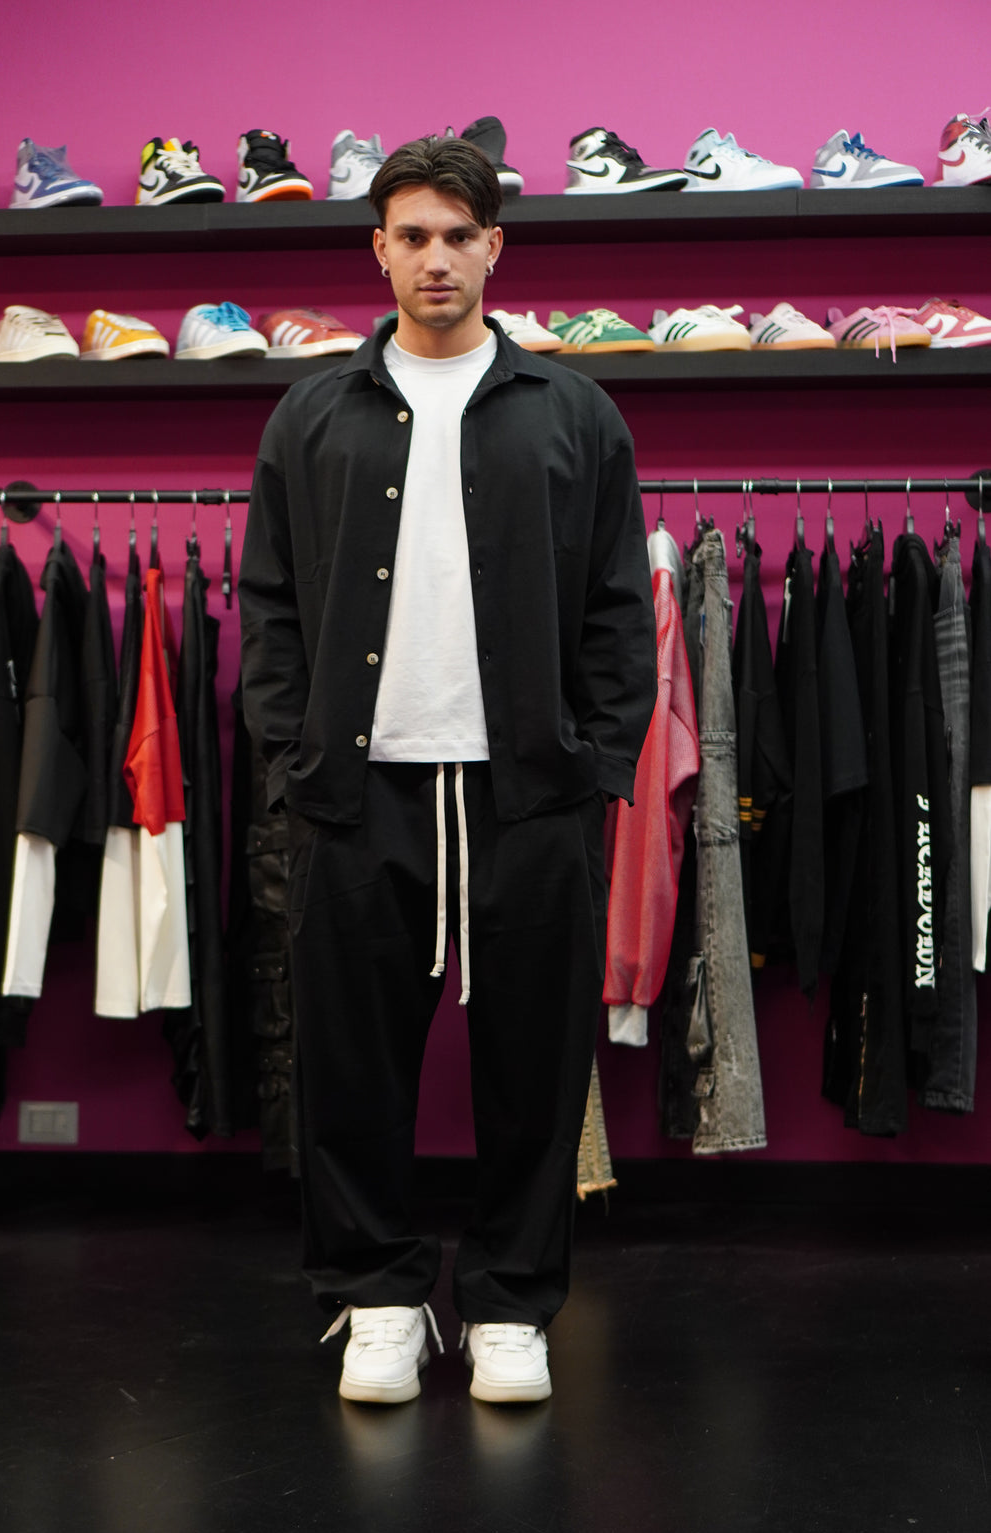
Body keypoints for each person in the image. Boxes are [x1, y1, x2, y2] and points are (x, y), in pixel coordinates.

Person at [238, 134, 656, 1405]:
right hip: (355, 790)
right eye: (411, 235)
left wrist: (597, 759)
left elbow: (617, 607)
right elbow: (269, 604)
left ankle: (511, 1305)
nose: (435, 257)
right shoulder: (312, 415)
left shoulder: (571, 413)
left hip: (527, 790)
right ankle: (374, 1296)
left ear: (494, 248)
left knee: (533, 1065)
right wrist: (290, 748)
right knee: (349, 1067)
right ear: (378, 249)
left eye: (457, 235)